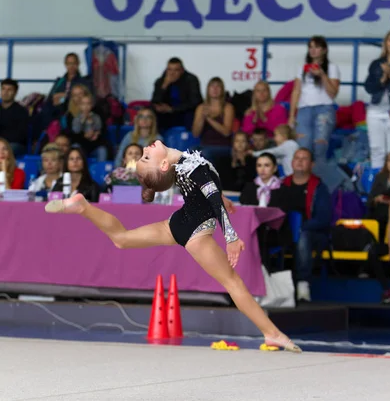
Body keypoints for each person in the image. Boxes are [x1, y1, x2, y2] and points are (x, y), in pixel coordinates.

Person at [45, 142, 301, 353]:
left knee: (121, 239)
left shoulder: (181, 164)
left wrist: (220, 195)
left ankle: (84, 207)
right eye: (147, 156)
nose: (146, 148)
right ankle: (272, 333)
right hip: (196, 233)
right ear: (164, 164)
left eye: (144, 155)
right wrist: (231, 236)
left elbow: (207, 190)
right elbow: (211, 198)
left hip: (178, 223)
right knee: (233, 283)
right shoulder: (193, 168)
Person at [269, 148, 331, 303]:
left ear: (311, 164)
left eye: (304, 159)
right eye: (297, 158)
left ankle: (303, 284)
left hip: (312, 233)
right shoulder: (282, 184)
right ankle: (266, 282)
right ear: (291, 162)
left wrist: (301, 227)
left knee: (302, 235)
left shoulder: (319, 187)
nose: (300, 161)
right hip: (284, 231)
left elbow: (324, 218)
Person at [288, 36, 340, 161]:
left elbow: (333, 93)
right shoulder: (302, 67)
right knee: (304, 147)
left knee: (319, 148)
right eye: (310, 47)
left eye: (316, 47)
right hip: (304, 109)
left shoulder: (332, 67)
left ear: (324, 50)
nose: (313, 50)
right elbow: (296, 91)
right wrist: (291, 115)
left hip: (324, 109)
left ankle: (318, 178)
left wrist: (322, 74)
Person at [364, 29, 390, 168]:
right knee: (376, 149)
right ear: (386, 43)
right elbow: (369, 88)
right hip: (375, 110)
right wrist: (383, 78)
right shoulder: (376, 64)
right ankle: (377, 185)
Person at [151, 58, 202, 133]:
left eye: (176, 70)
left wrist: (172, 109)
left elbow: (195, 102)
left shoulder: (191, 80)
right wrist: (164, 86)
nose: (172, 73)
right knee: (151, 113)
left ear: (182, 71)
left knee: (191, 116)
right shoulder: (161, 81)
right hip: (166, 114)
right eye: (169, 70)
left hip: (184, 112)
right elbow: (154, 101)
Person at [192, 76, 234, 162]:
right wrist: (202, 117)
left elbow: (226, 132)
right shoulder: (201, 108)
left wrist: (209, 118)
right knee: (190, 153)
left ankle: (210, 175)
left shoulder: (227, 107)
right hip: (205, 144)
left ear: (222, 90)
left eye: (218, 86)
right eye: (212, 86)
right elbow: (195, 133)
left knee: (206, 153)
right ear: (208, 89)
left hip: (223, 146)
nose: (215, 89)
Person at [0, 78, 29, 157]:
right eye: (3, 89)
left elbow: (21, 135)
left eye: (9, 90)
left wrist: (2, 143)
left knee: (7, 149)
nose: (5, 92)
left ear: (15, 92)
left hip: (14, 145)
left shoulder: (21, 111)